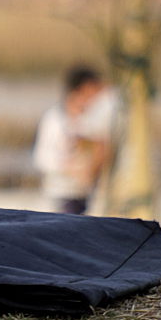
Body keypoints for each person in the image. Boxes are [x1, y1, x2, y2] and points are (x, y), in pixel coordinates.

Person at [31, 65, 118, 216]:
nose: (94, 98)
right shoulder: (54, 120)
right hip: (61, 194)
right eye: (90, 92)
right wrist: (69, 168)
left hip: (89, 195)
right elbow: (41, 158)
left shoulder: (93, 121)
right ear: (77, 92)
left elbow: (114, 97)